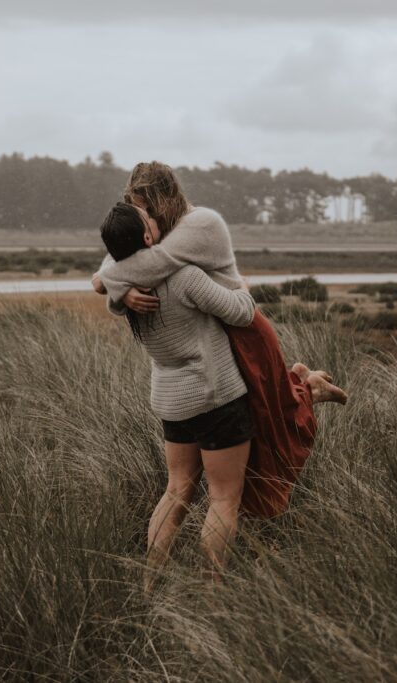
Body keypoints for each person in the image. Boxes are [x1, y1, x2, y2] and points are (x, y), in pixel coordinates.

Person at [93, 162, 346, 521]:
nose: (144, 218)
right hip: (213, 329)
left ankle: (309, 387)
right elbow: (121, 257)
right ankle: (308, 384)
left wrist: (111, 285)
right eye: (137, 210)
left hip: (242, 324)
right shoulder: (154, 233)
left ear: (163, 200)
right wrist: (119, 291)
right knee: (266, 410)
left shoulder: (199, 223)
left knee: (272, 414)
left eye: (147, 209)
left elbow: (136, 264)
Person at [99, 201, 257, 587]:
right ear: (149, 236)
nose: (154, 216)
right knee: (223, 499)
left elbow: (107, 283)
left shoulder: (126, 291)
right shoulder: (185, 277)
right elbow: (243, 313)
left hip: (172, 402)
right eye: (148, 218)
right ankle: (213, 592)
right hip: (215, 397)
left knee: (175, 493)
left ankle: (149, 585)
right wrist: (241, 288)